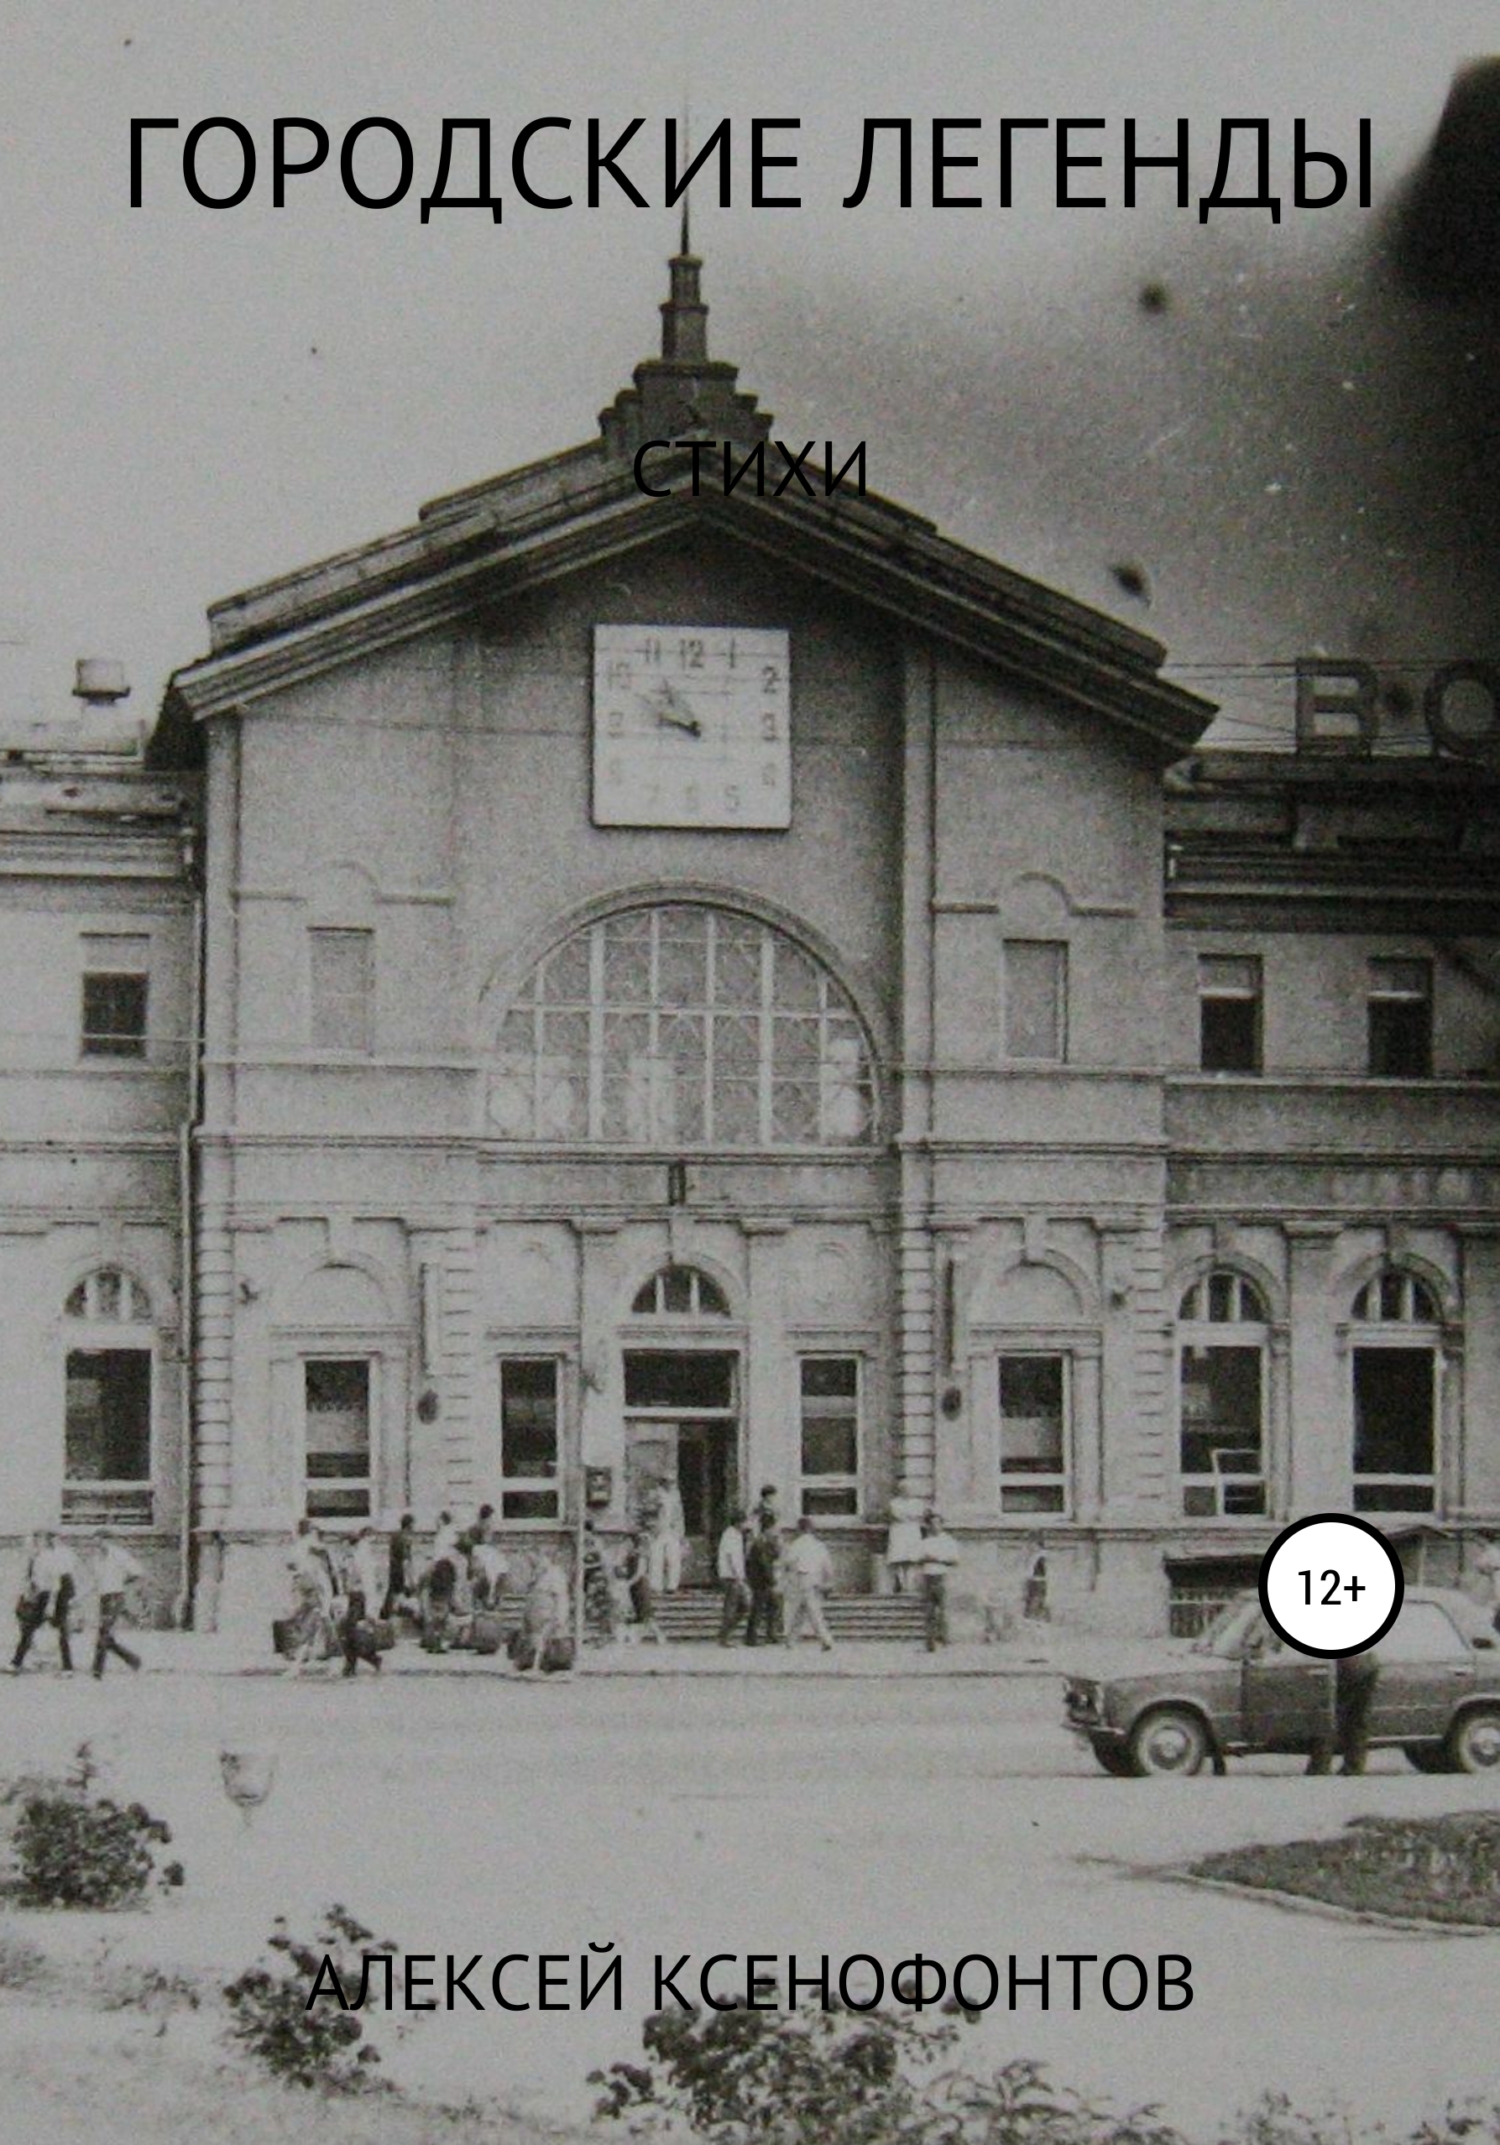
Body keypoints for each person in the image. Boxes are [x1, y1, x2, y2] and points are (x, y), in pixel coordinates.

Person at [1306, 1645, 1382, 1776]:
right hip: (1367, 1663)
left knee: (1328, 1717)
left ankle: (1321, 1764)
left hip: (1345, 1665)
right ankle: (1353, 1764)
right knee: (1356, 1717)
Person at [11, 1530, 77, 1674]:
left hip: (53, 1595)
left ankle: (67, 1667)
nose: (36, 1543)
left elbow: (55, 1582)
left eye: (39, 1540)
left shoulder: (50, 1556)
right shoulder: (39, 1557)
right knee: (29, 1628)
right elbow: (34, 1580)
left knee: (61, 1629)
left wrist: (51, 1604)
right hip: (43, 1594)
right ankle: (17, 1662)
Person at [284, 1519, 336, 1674]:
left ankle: (298, 1664)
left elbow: (292, 1565)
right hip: (311, 1588)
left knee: (310, 1626)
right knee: (316, 1626)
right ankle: (330, 1661)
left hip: (310, 1588)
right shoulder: (311, 1547)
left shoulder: (306, 1547)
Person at [91, 1534, 145, 1678]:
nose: (98, 1544)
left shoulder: (119, 1555)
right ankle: (133, 1660)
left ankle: (97, 1670)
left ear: (108, 1540)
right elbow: (96, 1581)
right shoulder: (96, 1558)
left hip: (115, 1596)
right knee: (106, 1634)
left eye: (101, 1540)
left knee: (104, 1632)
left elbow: (138, 1571)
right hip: (104, 1598)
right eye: (96, 1542)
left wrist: (122, 1581)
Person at [783, 1515, 835, 1651]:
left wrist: (787, 1577)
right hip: (816, 1579)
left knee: (810, 1610)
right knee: (803, 1610)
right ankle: (791, 1640)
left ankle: (825, 1639)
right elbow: (827, 1565)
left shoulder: (796, 1544)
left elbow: (788, 1562)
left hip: (801, 1578)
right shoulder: (819, 1545)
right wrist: (828, 1580)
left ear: (799, 1529)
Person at [339, 1524, 385, 1675]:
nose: (342, 1548)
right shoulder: (355, 1556)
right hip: (355, 1596)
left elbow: (359, 1579)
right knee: (349, 1631)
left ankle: (360, 1662)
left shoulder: (357, 1557)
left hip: (359, 1596)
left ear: (350, 1544)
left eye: (344, 1545)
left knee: (350, 1631)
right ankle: (364, 1660)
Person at [918, 1511, 961, 1652]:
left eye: (937, 1523)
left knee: (943, 1609)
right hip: (928, 1576)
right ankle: (930, 1641)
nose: (935, 1526)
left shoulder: (948, 1541)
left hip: (942, 1575)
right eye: (932, 1524)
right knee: (929, 1610)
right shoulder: (925, 1542)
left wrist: (938, 1559)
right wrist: (925, 1559)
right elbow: (918, 1558)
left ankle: (945, 1639)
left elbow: (955, 1560)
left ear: (942, 1525)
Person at [616, 1531, 664, 1644]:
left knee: (644, 1612)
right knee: (638, 1613)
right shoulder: (632, 1555)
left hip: (640, 1585)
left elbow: (640, 1573)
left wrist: (628, 1583)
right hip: (634, 1586)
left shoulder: (641, 1555)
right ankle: (636, 1637)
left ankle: (658, 1635)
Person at [745, 1513, 784, 1646]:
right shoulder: (760, 1543)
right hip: (761, 1581)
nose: (775, 1531)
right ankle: (752, 1637)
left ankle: (770, 1634)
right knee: (758, 1608)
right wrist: (772, 1580)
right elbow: (764, 1563)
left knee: (773, 1606)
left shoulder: (767, 1541)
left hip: (763, 1580)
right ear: (768, 1528)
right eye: (773, 1528)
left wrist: (777, 1544)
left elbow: (775, 1556)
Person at [716, 1509, 750, 1644]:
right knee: (732, 1606)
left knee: (743, 1606)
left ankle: (725, 1632)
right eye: (744, 1522)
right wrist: (738, 1577)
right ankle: (725, 1636)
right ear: (738, 1522)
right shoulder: (730, 1535)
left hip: (736, 1576)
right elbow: (732, 1557)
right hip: (731, 1576)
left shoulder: (737, 1535)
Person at [648, 1474, 685, 1594]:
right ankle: (656, 1585)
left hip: (672, 1530)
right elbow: (649, 1511)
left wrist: (680, 1531)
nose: (670, 1484)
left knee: (674, 1558)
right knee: (656, 1558)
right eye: (668, 1481)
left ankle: (672, 1585)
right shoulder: (655, 1494)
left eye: (672, 1482)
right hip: (658, 1530)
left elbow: (679, 1514)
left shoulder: (675, 1495)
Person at [581, 1520, 615, 1644]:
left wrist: (588, 1566)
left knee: (600, 1605)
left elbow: (604, 1562)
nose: (584, 1534)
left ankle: (604, 1635)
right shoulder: (581, 1543)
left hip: (597, 1577)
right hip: (585, 1577)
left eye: (585, 1532)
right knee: (586, 1606)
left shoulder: (597, 1543)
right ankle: (586, 1634)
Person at [884, 1495, 924, 1596]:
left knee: (911, 1559)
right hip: (898, 1532)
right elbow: (896, 1515)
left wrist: (909, 1517)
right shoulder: (895, 1502)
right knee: (899, 1559)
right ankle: (901, 1585)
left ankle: (910, 1585)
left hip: (912, 1532)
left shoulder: (917, 1502)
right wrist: (908, 1516)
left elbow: (918, 1515)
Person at [382, 1512, 417, 1618]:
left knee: (392, 1591)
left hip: (394, 1568)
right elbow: (405, 1559)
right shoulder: (405, 1538)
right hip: (401, 1570)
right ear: (410, 1524)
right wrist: (411, 1578)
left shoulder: (396, 1535)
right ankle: (396, 1613)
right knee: (400, 1593)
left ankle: (385, 1613)